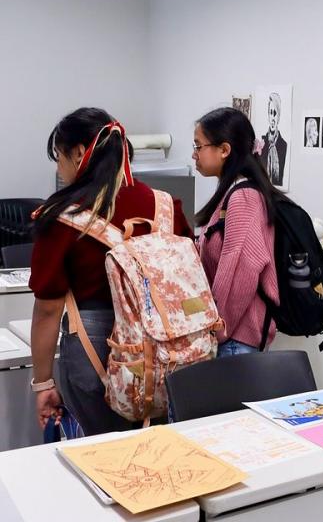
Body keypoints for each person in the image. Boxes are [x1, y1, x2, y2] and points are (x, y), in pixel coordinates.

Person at [29, 107, 192, 435]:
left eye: (59, 157)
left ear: (77, 154)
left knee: (100, 452)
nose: (60, 168)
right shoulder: (165, 205)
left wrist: (43, 382)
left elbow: (48, 310)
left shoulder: (61, 218)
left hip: (94, 349)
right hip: (167, 350)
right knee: (155, 444)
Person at [194, 107, 281, 357]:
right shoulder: (234, 193)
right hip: (234, 338)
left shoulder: (243, 197)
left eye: (199, 146)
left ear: (224, 150)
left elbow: (240, 273)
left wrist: (218, 330)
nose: (194, 154)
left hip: (236, 340)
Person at [259, 92, 288, 185]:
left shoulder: (283, 145)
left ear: (279, 116)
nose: (272, 118)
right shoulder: (261, 144)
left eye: (275, 113)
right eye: (270, 113)